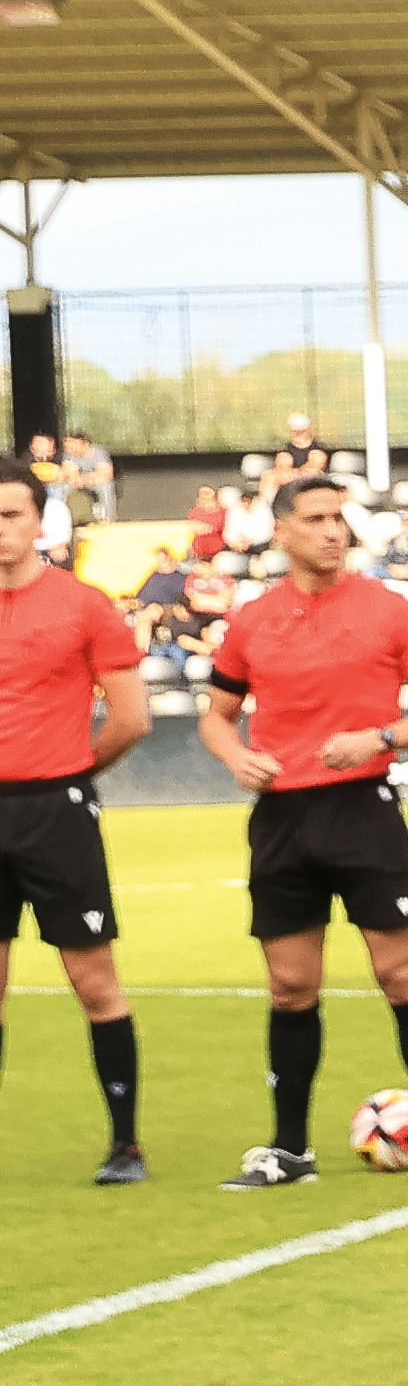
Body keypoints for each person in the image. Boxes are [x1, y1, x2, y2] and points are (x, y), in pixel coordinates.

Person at [203, 482, 408, 1188]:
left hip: (363, 812)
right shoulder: (253, 620)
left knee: (399, 973)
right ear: (281, 531)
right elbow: (216, 716)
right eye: (314, 519)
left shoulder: (388, 609)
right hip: (282, 820)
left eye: (337, 519)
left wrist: (380, 737)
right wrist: (237, 758)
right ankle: (290, 1150)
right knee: (291, 986)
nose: (331, 531)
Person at [0, 480, 153, 1181]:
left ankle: (125, 1144)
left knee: (94, 983)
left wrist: (69, 771)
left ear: (39, 521)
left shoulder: (85, 606)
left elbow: (131, 718)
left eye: (11, 514)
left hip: (55, 811)